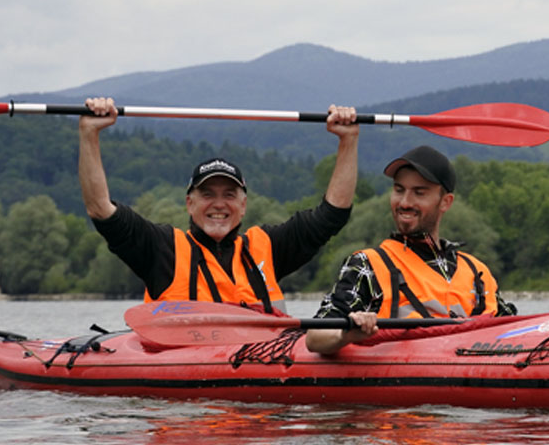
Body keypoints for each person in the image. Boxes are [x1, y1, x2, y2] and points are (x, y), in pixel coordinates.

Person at [77, 97, 359, 313]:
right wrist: (90, 134)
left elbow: (332, 214)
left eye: (229, 194)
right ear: (190, 203)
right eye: (208, 194)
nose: (219, 204)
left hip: (261, 371)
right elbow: (101, 209)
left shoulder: (268, 247)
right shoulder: (161, 248)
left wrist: (348, 140)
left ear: (244, 205)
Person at [306, 145, 516, 354]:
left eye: (419, 193)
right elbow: (315, 338)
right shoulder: (366, 265)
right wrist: (346, 333)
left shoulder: (476, 271)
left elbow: (516, 334)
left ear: (445, 202)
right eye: (399, 190)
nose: (405, 202)